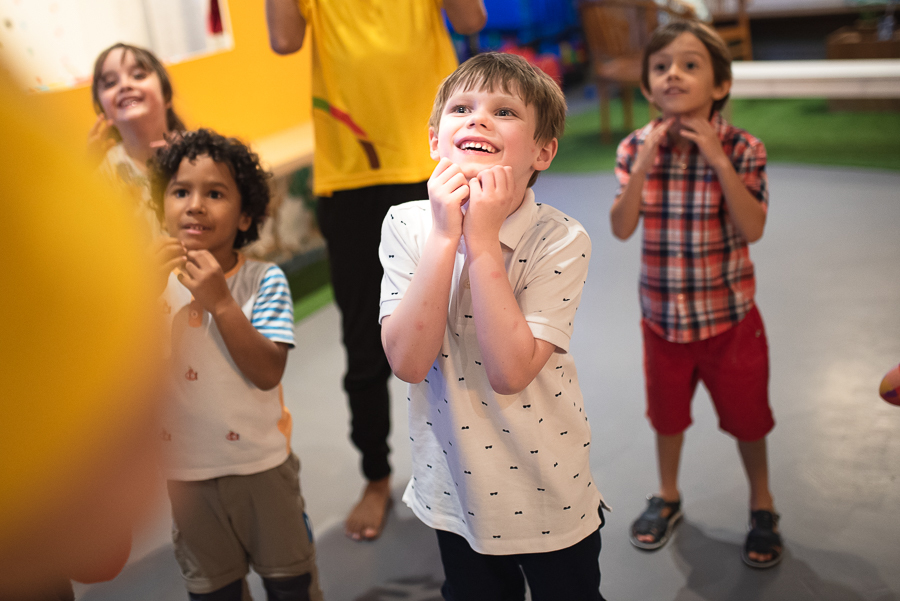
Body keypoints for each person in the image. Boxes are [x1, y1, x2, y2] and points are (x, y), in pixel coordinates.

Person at [379, 52, 607, 600]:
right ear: (436, 140)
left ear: (542, 151)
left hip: (547, 488)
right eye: (462, 108)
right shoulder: (406, 224)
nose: (478, 119)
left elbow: (509, 372)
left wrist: (480, 238)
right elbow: (409, 362)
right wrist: (443, 236)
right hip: (455, 487)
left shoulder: (560, 239)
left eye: (504, 111)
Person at [264, 0, 487, 541]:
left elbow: (471, 20)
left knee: (463, 328)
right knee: (364, 340)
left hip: (436, 160)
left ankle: (473, 465)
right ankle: (376, 476)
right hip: (352, 174)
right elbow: (284, 40)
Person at [610, 20, 782, 568]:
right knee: (667, 417)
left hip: (729, 318)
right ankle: (668, 495)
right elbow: (620, 227)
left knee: (749, 418)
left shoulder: (744, 147)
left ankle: (762, 501)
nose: (673, 76)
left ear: (721, 85)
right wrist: (640, 166)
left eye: (689, 65)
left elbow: (753, 227)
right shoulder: (635, 145)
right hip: (662, 320)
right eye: (660, 68)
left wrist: (717, 157)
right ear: (647, 87)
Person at [149, 129, 323, 600]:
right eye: (181, 191)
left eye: (216, 193)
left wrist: (222, 304)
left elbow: (268, 371)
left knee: (290, 584)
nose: (195, 205)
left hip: (261, 467)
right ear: (161, 205)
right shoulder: (148, 283)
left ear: (245, 214)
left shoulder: (263, 280)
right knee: (213, 590)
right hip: (186, 474)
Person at [90, 42, 186, 241]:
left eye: (139, 76)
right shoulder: (103, 171)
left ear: (166, 94)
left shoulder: (198, 153)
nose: (124, 85)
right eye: (110, 83)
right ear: (102, 109)